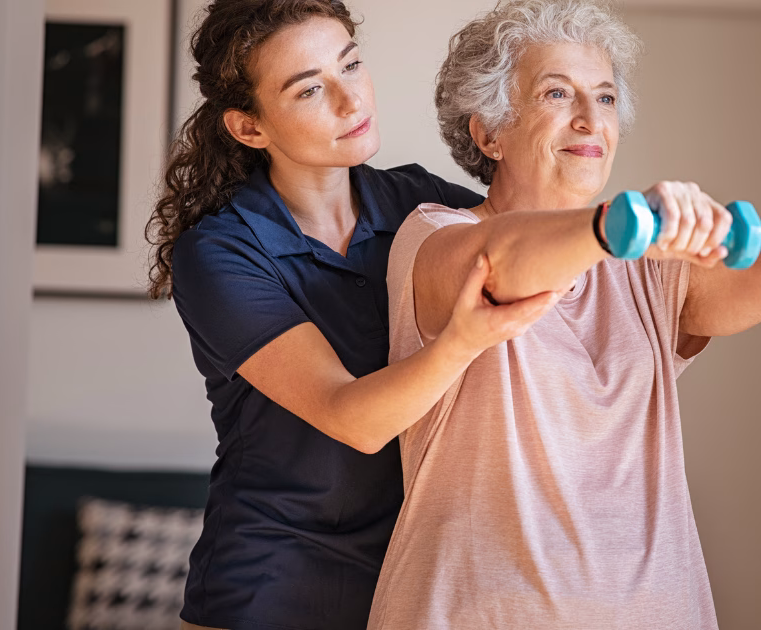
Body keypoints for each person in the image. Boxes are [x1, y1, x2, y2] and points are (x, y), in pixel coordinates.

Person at [366, 0, 761, 628]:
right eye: (558, 94)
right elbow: (502, 267)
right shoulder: (434, 238)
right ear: (489, 132)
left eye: (606, 99)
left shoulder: (647, 267)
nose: (591, 120)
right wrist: (619, 225)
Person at [145, 2, 560, 629]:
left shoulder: (418, 202)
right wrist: (462, 340)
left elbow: (531, 251)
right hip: (273, 585)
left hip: (413, 580)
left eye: (352, 64)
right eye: (310, 89)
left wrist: (684, 297)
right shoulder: (221, 253)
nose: (350, 100)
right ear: (249, 127)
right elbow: (354, 418)